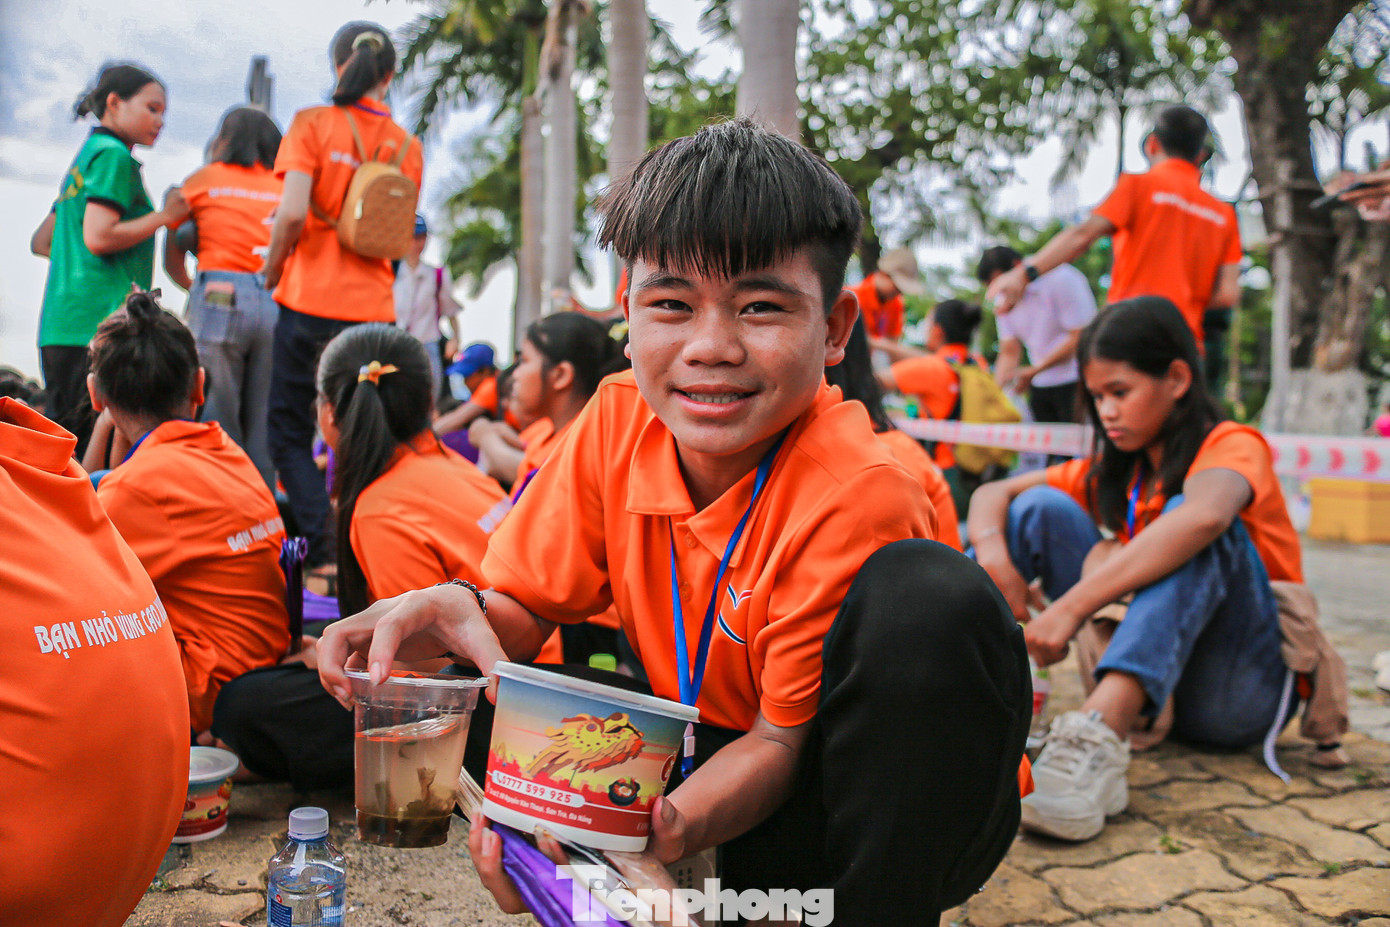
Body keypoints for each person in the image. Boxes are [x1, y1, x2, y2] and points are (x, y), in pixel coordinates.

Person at [317, 117, 1029, 924]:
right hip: (708, 748)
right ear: (629, 315)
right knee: (474, 706)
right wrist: (450, 614)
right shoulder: (619, 417)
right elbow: (524, 614)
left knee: (930, 598)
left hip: (854, 788)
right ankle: (652, 881)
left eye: (760, 306)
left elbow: (780, 742)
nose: (710, 346)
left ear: (833, 329)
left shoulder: (855, 485)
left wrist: (661, 829)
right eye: (672, 304)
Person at [967, 296, 1299, 842]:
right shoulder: (1121, 470)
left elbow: (1207, 517)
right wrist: (997, 559)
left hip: (1236, 697)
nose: (1107, 412)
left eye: (1120, 392)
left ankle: (1098, 732)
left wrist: (1070, 609)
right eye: (1097, 397)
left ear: (1176, 377)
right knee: (1035, 509)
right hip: (1163, 680)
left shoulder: (1232, 445)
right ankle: (965, 700)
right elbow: (994, 492)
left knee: (1192, 527)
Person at [212, 323, 505, 789]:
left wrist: (338, 661)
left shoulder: (380, 509)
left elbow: (424, 666)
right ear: (427, 403)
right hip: (517, 675)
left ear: (328, 414)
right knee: (312, 642)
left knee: (243, 703)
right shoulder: (459, 469)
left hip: (481, 721)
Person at [0, 396, 188, 927]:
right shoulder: (63, 471)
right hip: (123, 863)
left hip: (30, 887)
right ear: (199, 385)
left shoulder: (130, 485)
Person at [89, 291, 291, 736]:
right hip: (263, 665)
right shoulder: (228, 452)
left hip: (208, 693)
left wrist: (105, 425)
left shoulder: (133, 489)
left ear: (95, 395)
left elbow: (72, 538)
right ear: (199, 385)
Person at [262, 21, 424, 573]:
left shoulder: (311, 124)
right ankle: (370, 546)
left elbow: (289, 213)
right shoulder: (408, 145)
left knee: (288, 430)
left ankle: (327, 547)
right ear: (390, 73)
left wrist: (271, 269)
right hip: (373, 312)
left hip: (308, 300)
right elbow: (397, 238)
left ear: (338, 63)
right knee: (366, 433)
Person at [988, 105, 1242, 357]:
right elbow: (1228, 295)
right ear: (1199, 155)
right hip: (1184, 342)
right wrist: (1184, 295)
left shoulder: (1138, 186)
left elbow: (1082, 236)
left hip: (1131, 332)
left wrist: (1024, 275)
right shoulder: (1223, 214)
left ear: (1152, 145)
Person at [30, 63, 189, 454]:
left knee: (63, 451)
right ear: (115, 104)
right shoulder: (114, 156)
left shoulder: (83, 160)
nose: (160, 121)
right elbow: (99, 236)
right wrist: (164, 218)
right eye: (152, 108)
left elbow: (43, 240)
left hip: (59, 322)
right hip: (96, 328)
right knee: (93, 450)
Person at [471, 311, 632, 664]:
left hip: (580, 622)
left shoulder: (590, 435)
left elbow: (519, 466)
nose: (512, 376)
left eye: (525, 361)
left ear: (560, 375)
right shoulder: (542, 432)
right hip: (537, 604)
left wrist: (485, 433)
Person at [164, 106, 284, 487]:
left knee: (217, 410)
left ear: (225, 140)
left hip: (218, 295)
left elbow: (173, 252)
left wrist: (191, 288)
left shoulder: (202, 180)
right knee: (265, 418)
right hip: (275, 297)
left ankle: (224, 505)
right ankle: (265, 514)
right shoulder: (283, 187)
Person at [825, 316, 962, 549]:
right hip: (951, 470)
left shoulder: (928, 367)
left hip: (945, 468)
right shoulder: (969, 363)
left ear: (937, 332)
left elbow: (876, 382)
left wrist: (875, 344)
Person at [878, 299, 993, 512]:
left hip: (942, 477)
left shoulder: (932, 368)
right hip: (975, 473)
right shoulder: (978, 365)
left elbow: (871, 382)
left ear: (937, 331)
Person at [976, 245, 1096, 428]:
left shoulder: (1062, 278)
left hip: (1078, 378)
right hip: (1040, 385)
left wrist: (1036, 369)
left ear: (1017, 266)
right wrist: (994, 396)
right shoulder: (1003, 300)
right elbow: (1009, 351)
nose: (1001, 293)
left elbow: (1082, 336)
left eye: (1001, 284)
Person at [393, 214, 462, 395]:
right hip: (395, 345)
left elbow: (451, 311)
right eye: (413, 238)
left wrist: (455, 340)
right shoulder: (391, 273)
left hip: (426, 345)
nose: (418, 244)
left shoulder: (437, 275)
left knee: (429, 397)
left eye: (422, 237)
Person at [847, 246, 925, 356]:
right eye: (897, 287)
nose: (898, 293)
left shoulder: (895, 303)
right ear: (883, 274)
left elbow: (893, 342)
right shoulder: (852, 297)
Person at [434, 342, 500, 435]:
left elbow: (457, 419)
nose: (465, 381)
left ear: (485, 371)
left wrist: (426, 436)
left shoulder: (491, 386)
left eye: (467, 375)